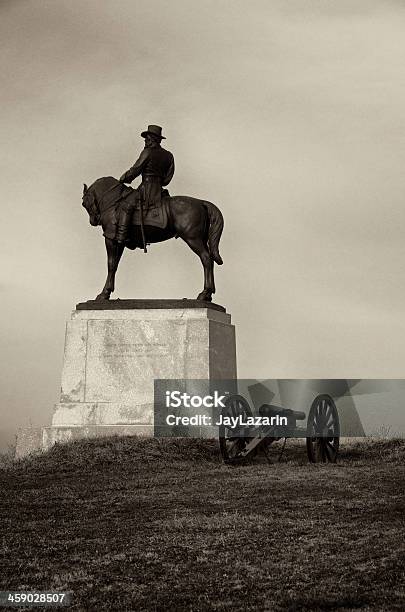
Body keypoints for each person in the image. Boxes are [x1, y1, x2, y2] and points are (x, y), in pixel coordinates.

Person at [116, 125, 175, 244]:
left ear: (152, 139)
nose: (145, 141)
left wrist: (122, 179)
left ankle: (122, 237)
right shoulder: (169, 155)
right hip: (160, 190)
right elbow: (168, 178)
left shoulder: (147, 152)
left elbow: (135, 170)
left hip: (146, 189)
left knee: (126, 206)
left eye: (147, 139)